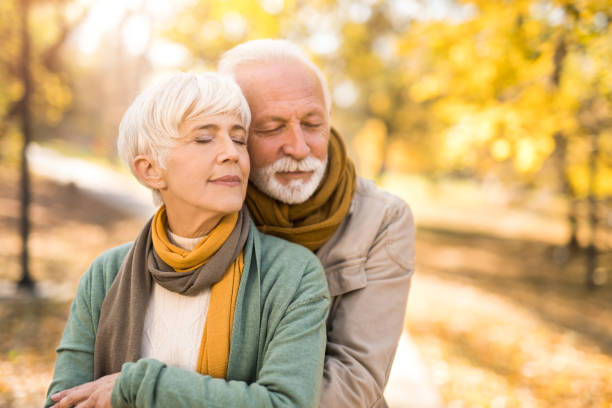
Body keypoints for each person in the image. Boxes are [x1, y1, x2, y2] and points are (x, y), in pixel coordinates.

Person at [45, 72, 330, 408]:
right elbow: (62, 401)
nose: (231, 154)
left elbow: (289, 404)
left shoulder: (291, 275)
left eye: (238, 139)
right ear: (150, 170)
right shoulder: (106, 274)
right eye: (204, 139)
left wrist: (139, 386)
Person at [218, 39, 415, 408]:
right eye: (272, 128)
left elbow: (355, 380)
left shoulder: (382, 219)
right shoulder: (208, 205)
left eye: (312, 124)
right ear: (235, 135)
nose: (298, 147)